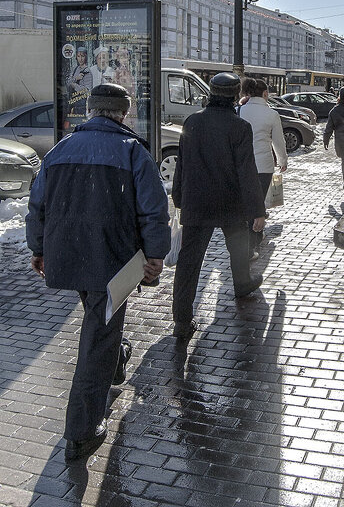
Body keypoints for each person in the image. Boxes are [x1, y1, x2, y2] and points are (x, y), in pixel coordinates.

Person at [26, 83, 170, 462]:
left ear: (89, 111)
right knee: (97, 337)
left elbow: (37, 205)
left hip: (72, 255)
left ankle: (116, 360)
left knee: (101, 321)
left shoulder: (60, 150)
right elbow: (154, 211)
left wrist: (38, 249)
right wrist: (155, 256)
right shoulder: (132, 151)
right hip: (112, 261)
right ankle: (81, 430)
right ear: (123, 113)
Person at [171, 72, 265, 341]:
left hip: (196, 202)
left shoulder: (193, 122)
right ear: (236, 96)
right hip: (230, 203)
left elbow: (182, 165)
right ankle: (241, 283)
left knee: (188, 263)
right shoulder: (239, 127)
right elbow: (247, 172)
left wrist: (179, 197)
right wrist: (257, 210)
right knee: (238, 247)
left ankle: (182, 319)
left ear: (210, 94)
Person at [238, 78, 288, 260]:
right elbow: (278, 141)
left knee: (245, 204)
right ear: (265, 94)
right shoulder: (271, 114)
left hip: (241, 166)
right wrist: (283, 160)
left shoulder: (239, 110)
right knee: (257, 203)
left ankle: (251, 240)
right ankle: (252, 243)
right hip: (263, 165)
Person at [66, 46, 93, 117]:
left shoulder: (87, 71)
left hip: (82, 104)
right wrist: (76, 78)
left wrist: (74, 85)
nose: (80, 59)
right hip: (73, 102)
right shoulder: (75, 69)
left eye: (82, 56)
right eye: (78, 56)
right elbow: (68, 83)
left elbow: (87, 90)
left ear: (86, 57)